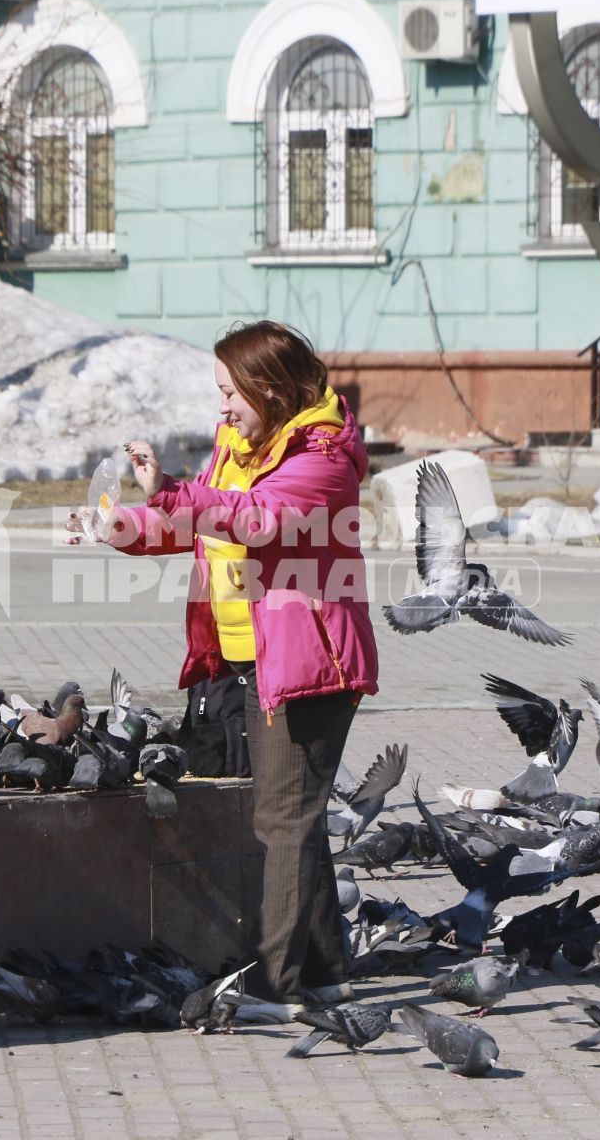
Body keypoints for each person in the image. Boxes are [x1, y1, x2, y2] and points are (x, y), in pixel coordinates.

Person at [70, 320, 378, 1010]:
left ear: (269, 386)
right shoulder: (239, 446)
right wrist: (118, 524)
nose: (223, 407)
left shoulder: (323, 456)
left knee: (282, 822)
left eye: (230, 392)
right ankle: (325, 972)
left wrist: (177, 491)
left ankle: (278, 982)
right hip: (247, 660)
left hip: (311, 665)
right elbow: (194, 523)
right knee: (293, 817)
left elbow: (258, 519)